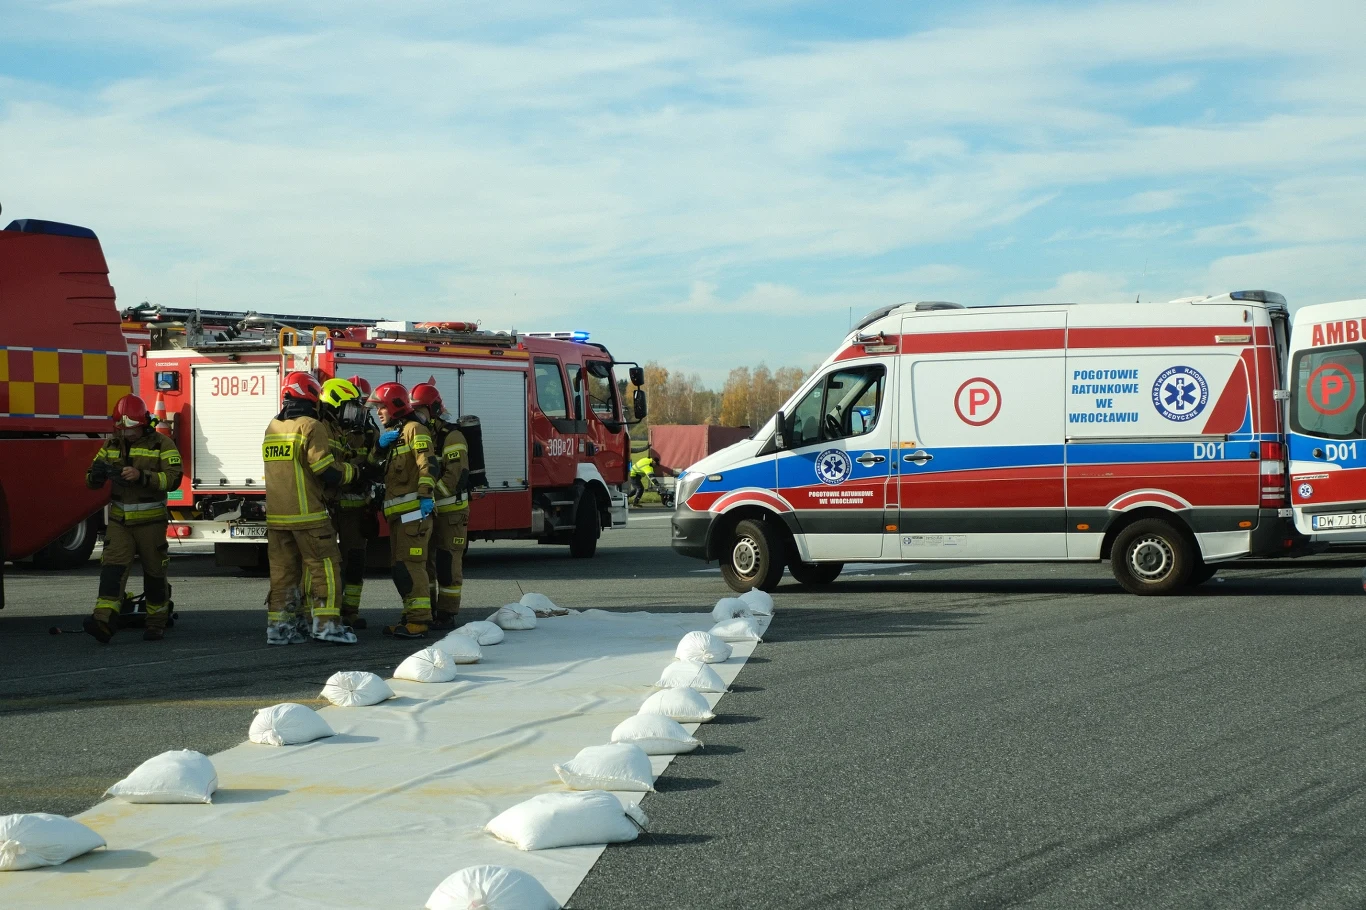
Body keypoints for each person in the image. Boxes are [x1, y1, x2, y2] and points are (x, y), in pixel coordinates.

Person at [262, 371, 357, 646]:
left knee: (283, 574)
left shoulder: (273, 427)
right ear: (311, 396)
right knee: (325, 568)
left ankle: (280, 630)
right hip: (309, 515)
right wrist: (352, 472)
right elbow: (324, 469)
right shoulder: (311, 426)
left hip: (277, 518)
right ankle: (328, 626)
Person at [83, 394, 182, 643]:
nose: (128, 435)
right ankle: (103, 621)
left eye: (133, 429)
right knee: (112, 571)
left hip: (151, 523)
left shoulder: (162, 444)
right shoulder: (111, 445)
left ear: (144, 423)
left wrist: (141, 476)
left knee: (154, 573)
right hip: (119, 522)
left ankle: (156, 623)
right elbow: (90, 480)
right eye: (123, 430)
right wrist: (95, 476)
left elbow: (173, 479)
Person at [370, 382, 439, 639]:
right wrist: (379, 447)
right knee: (400, 567)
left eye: (381, 407)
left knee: (411, 566)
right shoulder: (394, 435)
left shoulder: (414, 430)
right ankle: (410, 615)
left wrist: (425, 497)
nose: (378, 413)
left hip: (414, 515)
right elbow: (372, 466)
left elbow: (427, 465)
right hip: (400, 517)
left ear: (395, 407)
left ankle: (419, 621)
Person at [319, 376, 377, 630]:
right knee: (325, 563)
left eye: (363, 405)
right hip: (329, 508)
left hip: (355, 509)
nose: (360, 411)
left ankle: (350, 612)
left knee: (355, 561)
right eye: (357, 405)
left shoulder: (369, 433)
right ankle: (324, 613)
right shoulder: (326, 429)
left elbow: (376, 467)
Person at [411, 382, 469, 630]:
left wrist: (430, 496)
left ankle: (447, 613)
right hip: (432, 511)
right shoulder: (426, 434)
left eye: (420, 409)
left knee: (448, 562)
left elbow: (454, 477)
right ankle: (430, 609)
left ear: (432, 408)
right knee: (427, 563)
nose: (417, 415)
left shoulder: (452, 436)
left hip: (451, 512)